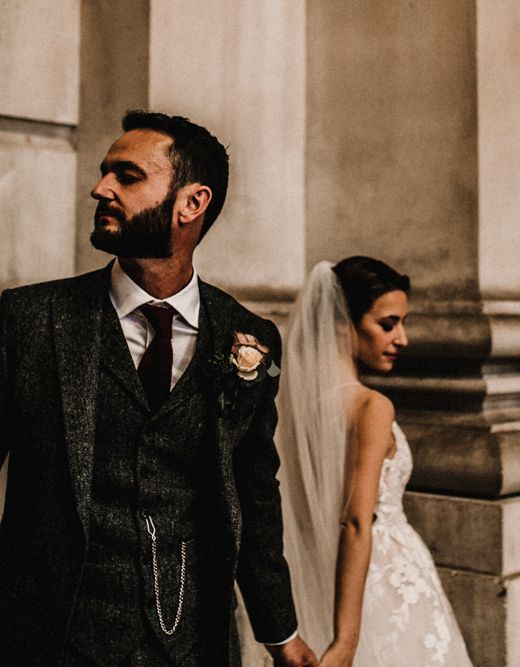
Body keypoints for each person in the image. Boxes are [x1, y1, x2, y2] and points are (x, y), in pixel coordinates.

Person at [0, 110, 318, 666]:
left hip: (192, 642)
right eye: (105, 173)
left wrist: (280, 633)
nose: (99, 189)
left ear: (191, 203)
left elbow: (254, 497)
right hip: (51, 637)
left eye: (127, 176)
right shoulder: (30, 319)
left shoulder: (250, 338)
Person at [276, 257, 473, 666]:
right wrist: (346, 642)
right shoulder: (371, 406)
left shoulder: (297, 409)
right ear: (342, 323)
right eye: (388, 324)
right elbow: (356, 521)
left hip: (317, 574)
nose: (402, 338)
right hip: (379, 579)